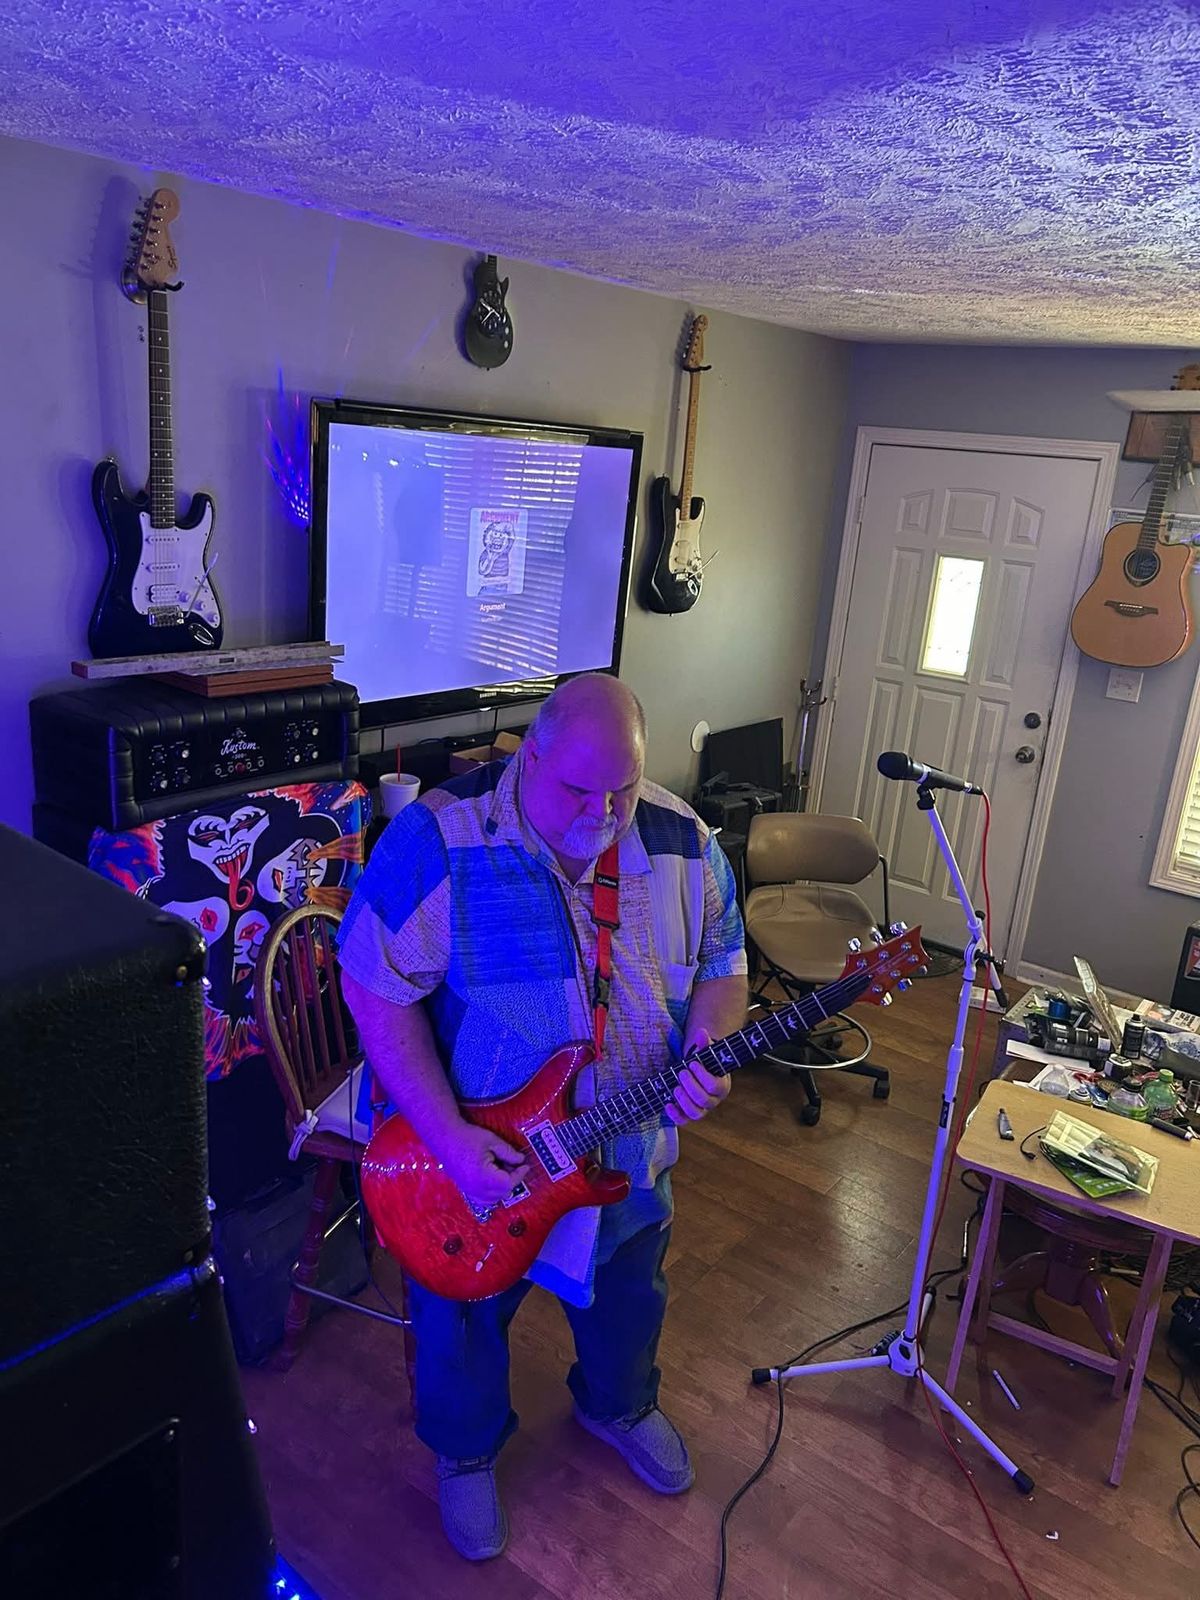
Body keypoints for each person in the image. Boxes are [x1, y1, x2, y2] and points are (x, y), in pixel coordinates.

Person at [338, 673, 748, 1560]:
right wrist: (448, 1138)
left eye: (622, 789)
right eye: (578, 789)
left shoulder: (683, 840)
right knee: (460, 1318)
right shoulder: (437, 841)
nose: (603, 814)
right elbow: (372, 987)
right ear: (529, 757)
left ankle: (618, 1405)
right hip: (479, 1163)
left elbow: (725, 960)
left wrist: (709, 1048)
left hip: (627, 1149)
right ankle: (465, 1451)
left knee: (631, 1290)